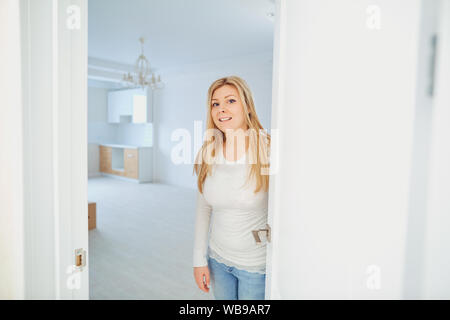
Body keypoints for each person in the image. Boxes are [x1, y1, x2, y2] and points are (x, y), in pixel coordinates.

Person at [192, 76, 271, 300]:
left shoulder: (267, 148)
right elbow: (203, 209)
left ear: (246, 105)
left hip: (255, 267)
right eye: (215, 103)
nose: (221, 109)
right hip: (218, 260)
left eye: (230, 101)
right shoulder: (209, 151)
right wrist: (199, 260)